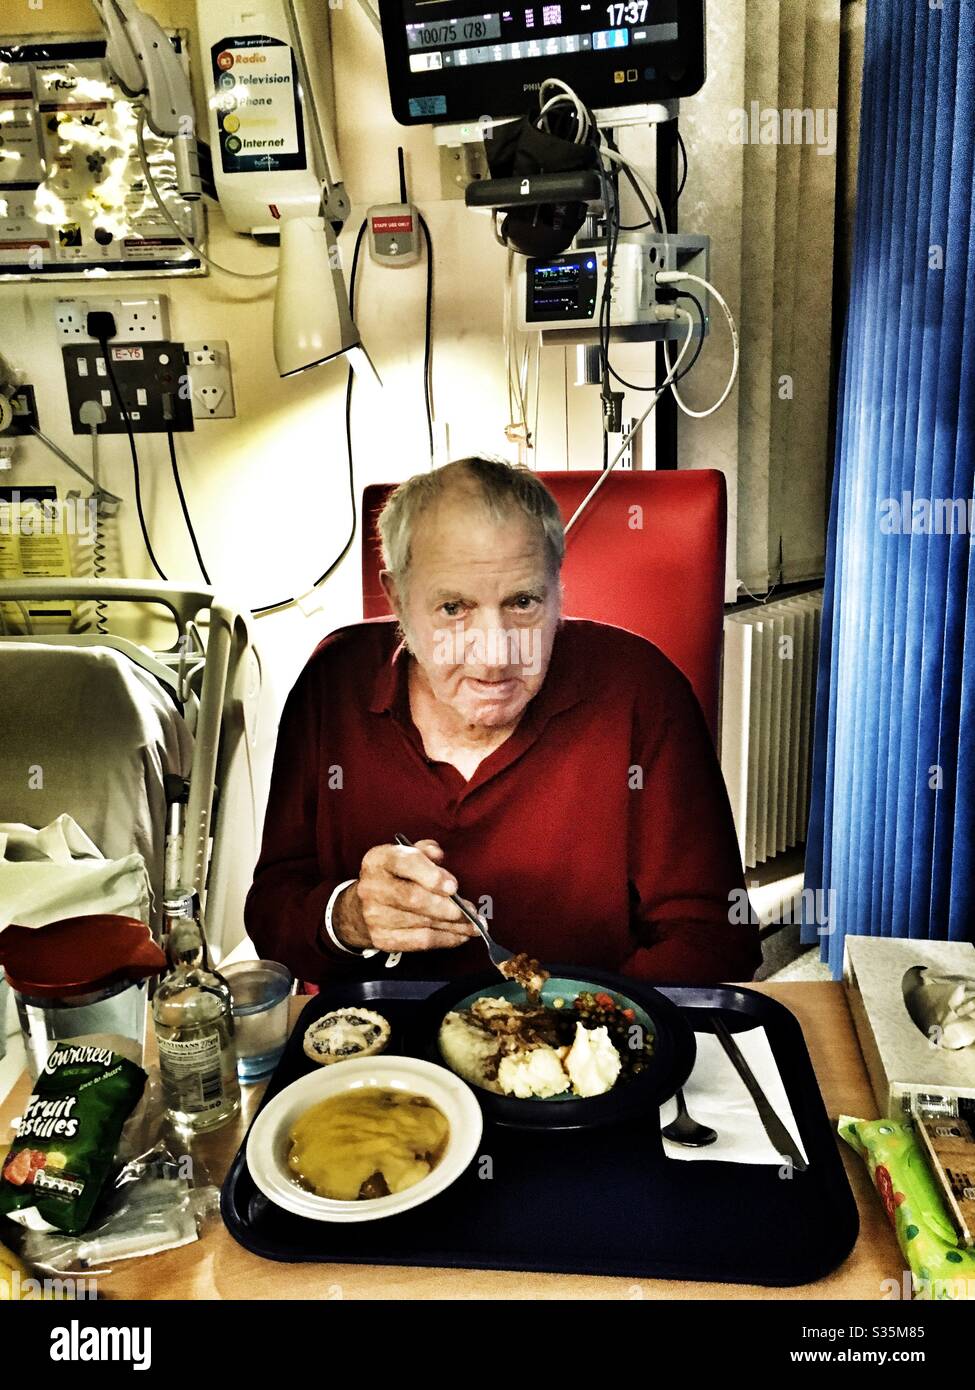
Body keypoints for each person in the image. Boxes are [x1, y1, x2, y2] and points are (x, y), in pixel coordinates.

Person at [244, 457, 760, 985]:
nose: (495, 655)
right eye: (453, 607)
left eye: (523, 601)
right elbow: (271, 914)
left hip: (582, 1051)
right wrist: (350, 916)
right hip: (382, 1052)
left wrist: (578, 1038)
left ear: (558, 589)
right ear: (397, 599)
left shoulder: (642, 690)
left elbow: (715, 938)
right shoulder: (331, 684)